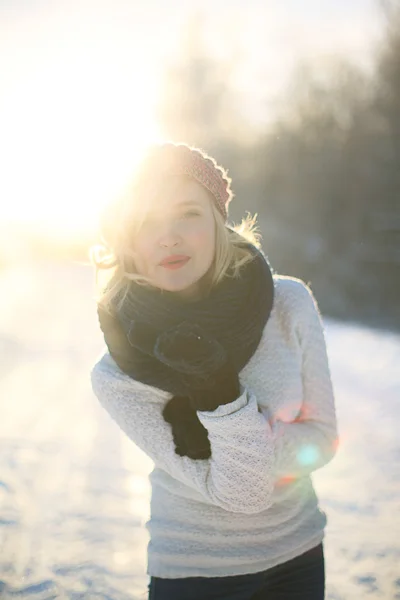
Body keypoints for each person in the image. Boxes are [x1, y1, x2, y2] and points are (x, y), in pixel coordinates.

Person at [89, 142, 339, 600]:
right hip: (195, 574)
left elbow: (322, 437)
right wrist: (217, 389)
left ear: (218, 220)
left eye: (188, 213)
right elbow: (241, 493)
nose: (169, 237)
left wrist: (234, 438)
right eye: (147, 222)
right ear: (127, 238)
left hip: (300, 556)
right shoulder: (118, 373)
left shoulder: (288, 303)